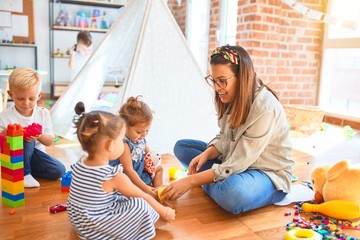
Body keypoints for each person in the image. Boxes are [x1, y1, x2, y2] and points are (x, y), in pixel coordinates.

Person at [161, 45, 295, 214]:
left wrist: (190, 182)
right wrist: (206, 154)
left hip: (266, 173)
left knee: (233, 195)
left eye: (222, 81)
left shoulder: (265, 108)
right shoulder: (231, 95)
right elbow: (225, 138)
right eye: (214, 80)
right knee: (182, 147)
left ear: (242, 77)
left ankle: (211, 183)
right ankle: (214, 181)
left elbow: (238, 163)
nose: (217, 87)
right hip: (234, 162)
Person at [67, 103, 175, 240]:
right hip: (96, 225)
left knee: (123, 195)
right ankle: (150, 224)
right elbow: (144, 196)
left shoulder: (80, 164)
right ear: (110, 146)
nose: (123, 143)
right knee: (140, 204)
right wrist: (165, 212)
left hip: (80, 222)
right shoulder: (114, 176)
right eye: (121, 140)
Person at [0, 68, 66, 187]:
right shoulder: (5, 116)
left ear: (39, 95)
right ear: (10, 94)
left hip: (36, 156)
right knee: (25, 137)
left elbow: (50, 141)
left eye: (31, 99)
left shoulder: (43, 113)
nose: (26, 103)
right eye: (20, 99)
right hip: (15, 156)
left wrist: (39, 135)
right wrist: (8, 131)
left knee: (60, 170)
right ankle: (24, 174)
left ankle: (26, 169)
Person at [112, 96, 163, 198]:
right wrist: (145, 187)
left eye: (147, 130)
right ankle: (146, 191)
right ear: (124, 127)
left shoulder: (140, 138)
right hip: (128, 177)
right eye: (139, 132)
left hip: (139, 169)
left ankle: (159, 190)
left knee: (160, 169)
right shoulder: (124, 144)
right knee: (128, 191)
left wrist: (153, 160)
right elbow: (129, 170)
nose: (144, 134)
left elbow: (149, 153)